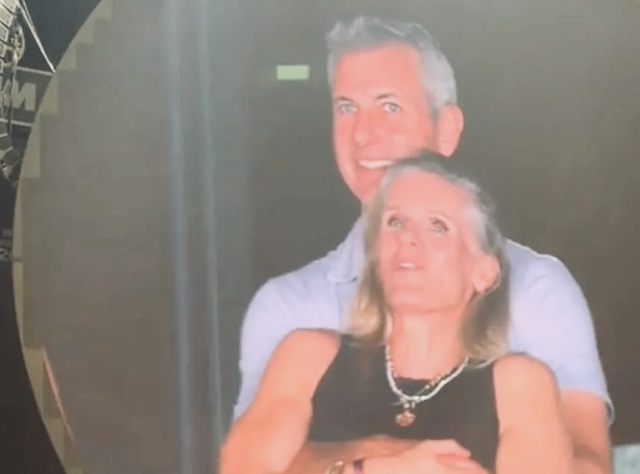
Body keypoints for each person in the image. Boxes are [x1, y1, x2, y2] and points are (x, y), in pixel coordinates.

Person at [228, 15, 611, 474]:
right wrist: (376, 463)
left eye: (389, 106)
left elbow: (588, 465)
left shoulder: (535, 297)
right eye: (347, 108)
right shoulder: (292, 320)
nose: (363, 134)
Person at [220, 154, 574, 474]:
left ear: (483, 273)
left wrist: (312, 461)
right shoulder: (308, 356)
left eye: (437, 226)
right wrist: (371, 464)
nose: (407, 238)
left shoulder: (518, 383)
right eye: (395, 222)